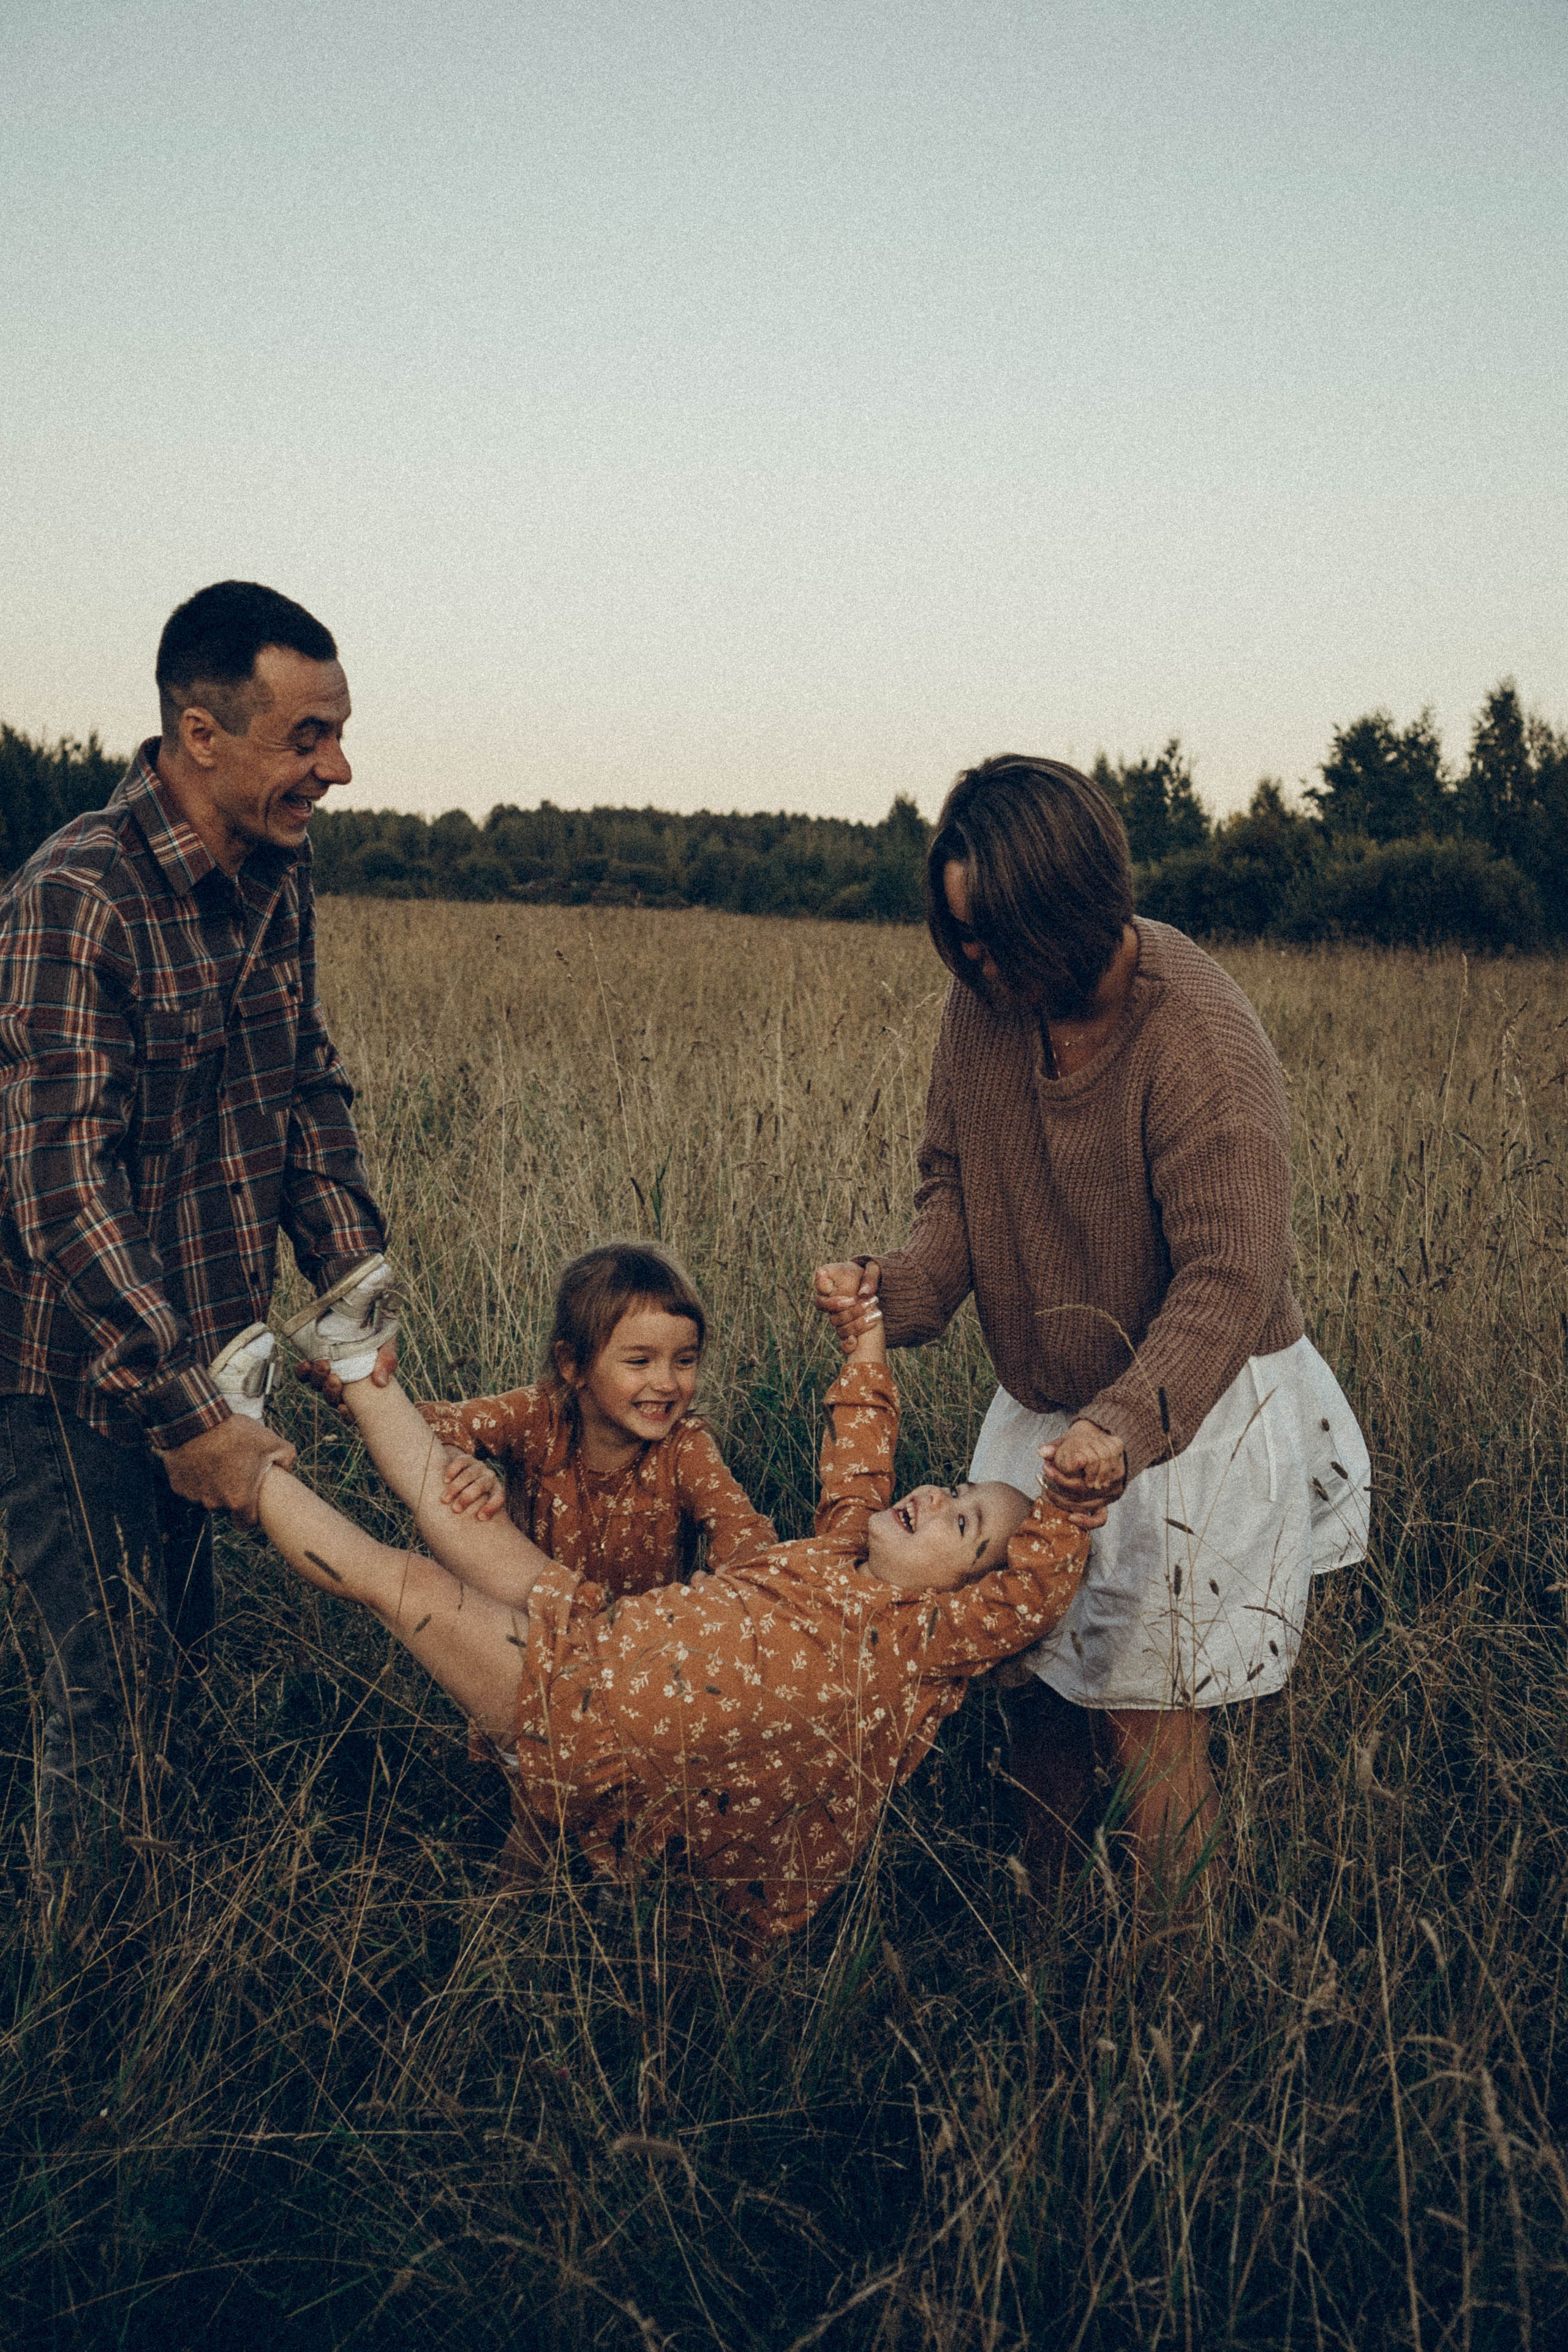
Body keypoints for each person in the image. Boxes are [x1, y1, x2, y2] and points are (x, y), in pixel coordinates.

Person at [815, 753, 1370, 1899]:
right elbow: (956, 1191)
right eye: (957, 934)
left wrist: (1124, 1425)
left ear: (1071, 914)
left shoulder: (1198, 1038)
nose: (970, 961)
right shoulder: (984, 1009)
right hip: (1045, 1408)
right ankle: (1040, 1936)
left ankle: (1173, 1996)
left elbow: (1229, 1277)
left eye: (994, 936)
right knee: (1028, 1685)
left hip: (1189, 1413)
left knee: (1142, 1714)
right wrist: (895, 1290)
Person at [238, 1261, 1089, 1939]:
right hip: (601, 1627)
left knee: (410, 1582)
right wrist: (864, 1337)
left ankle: (237, 1456)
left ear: (969, 1602)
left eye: (966, 1523)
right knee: (454, 1519)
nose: (938, 1496)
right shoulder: (846, 1545)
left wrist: (1073, 1509)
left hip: (603, 1719)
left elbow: (1036, 1591)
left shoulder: (920, 1641)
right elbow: (860, 1446)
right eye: (961, 1487)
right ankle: (353, 1361)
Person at [0, 579, 390, 1858]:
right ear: (199, 734)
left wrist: (353, 1305)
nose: (335, 766)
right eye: (306, 738)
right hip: (77, 1378)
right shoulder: (79, 897)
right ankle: (77, 2018)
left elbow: (301, 1084)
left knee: (176, 1672)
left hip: (211, 1365)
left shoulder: (279, 872)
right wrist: (190, 1414)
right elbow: (62, 1185)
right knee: (105, 1701)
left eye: (336, 732)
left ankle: (164, 1949)